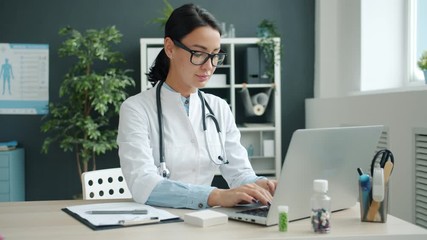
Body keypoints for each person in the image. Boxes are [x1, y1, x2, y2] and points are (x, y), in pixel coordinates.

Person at [117, 3, 277, 210]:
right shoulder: (136, 109)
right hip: (156, 222)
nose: (209, 66)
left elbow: (239, 173)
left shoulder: (219, 107)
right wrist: (216, 195)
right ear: (170, 48)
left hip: (204, 221)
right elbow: (143, 185)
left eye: (215, 55)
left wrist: (261, 184)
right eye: (199, 53)